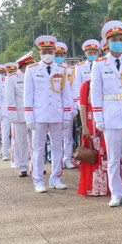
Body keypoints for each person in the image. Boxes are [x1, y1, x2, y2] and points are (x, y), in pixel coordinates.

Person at [91, 21, 122, 207]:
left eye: (121, 39)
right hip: (110, 114)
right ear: (107, 42)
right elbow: (95, 92)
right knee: (113, 158)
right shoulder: (99, 64)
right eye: (114, 40)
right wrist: (99, 117)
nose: (117, 43)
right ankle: (116, 193)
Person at [24, 35, 72, 193]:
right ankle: (38, 180)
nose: (48, 54)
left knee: (58, 148)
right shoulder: (31, 70)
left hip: (57, 114)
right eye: (44, 51)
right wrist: (29, 116)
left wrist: (67, 115)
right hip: (39, 115)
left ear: (54, 51)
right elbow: (28, 95)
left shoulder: (62, 70)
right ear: (40, 53)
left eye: (50, 51)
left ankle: (56, 178)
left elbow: (66, 96)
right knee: (37, 149)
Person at [77, 75, 109, 196]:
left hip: (106, 123)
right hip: (91, 123)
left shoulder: (108, 84)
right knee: (94, 154)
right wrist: (84, 126)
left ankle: (108, 186)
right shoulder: (87, 84)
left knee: (106, 154)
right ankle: (94, 186)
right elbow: (83, 106)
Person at [5, 53, 33, 177]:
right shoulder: (12, 78)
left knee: (36, 143)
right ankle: (22, 166)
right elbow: (10, 98)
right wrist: (13, 116)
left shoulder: (34, 76)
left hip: (34, 115)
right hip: (19, 115)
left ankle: (35, 166)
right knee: (20, 142)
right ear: (23, 66)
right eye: (30, 65)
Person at [54, 41, 77, 170]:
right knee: (55, 138)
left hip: (67, 107)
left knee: (68, 136)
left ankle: (67, 159)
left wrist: (74, 108)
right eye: (57, 53)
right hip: (52, 107)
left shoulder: (70, 70)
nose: (59, 56)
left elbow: (73, 91)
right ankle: (56, 160)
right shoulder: (50, 69)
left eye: (61, 54)